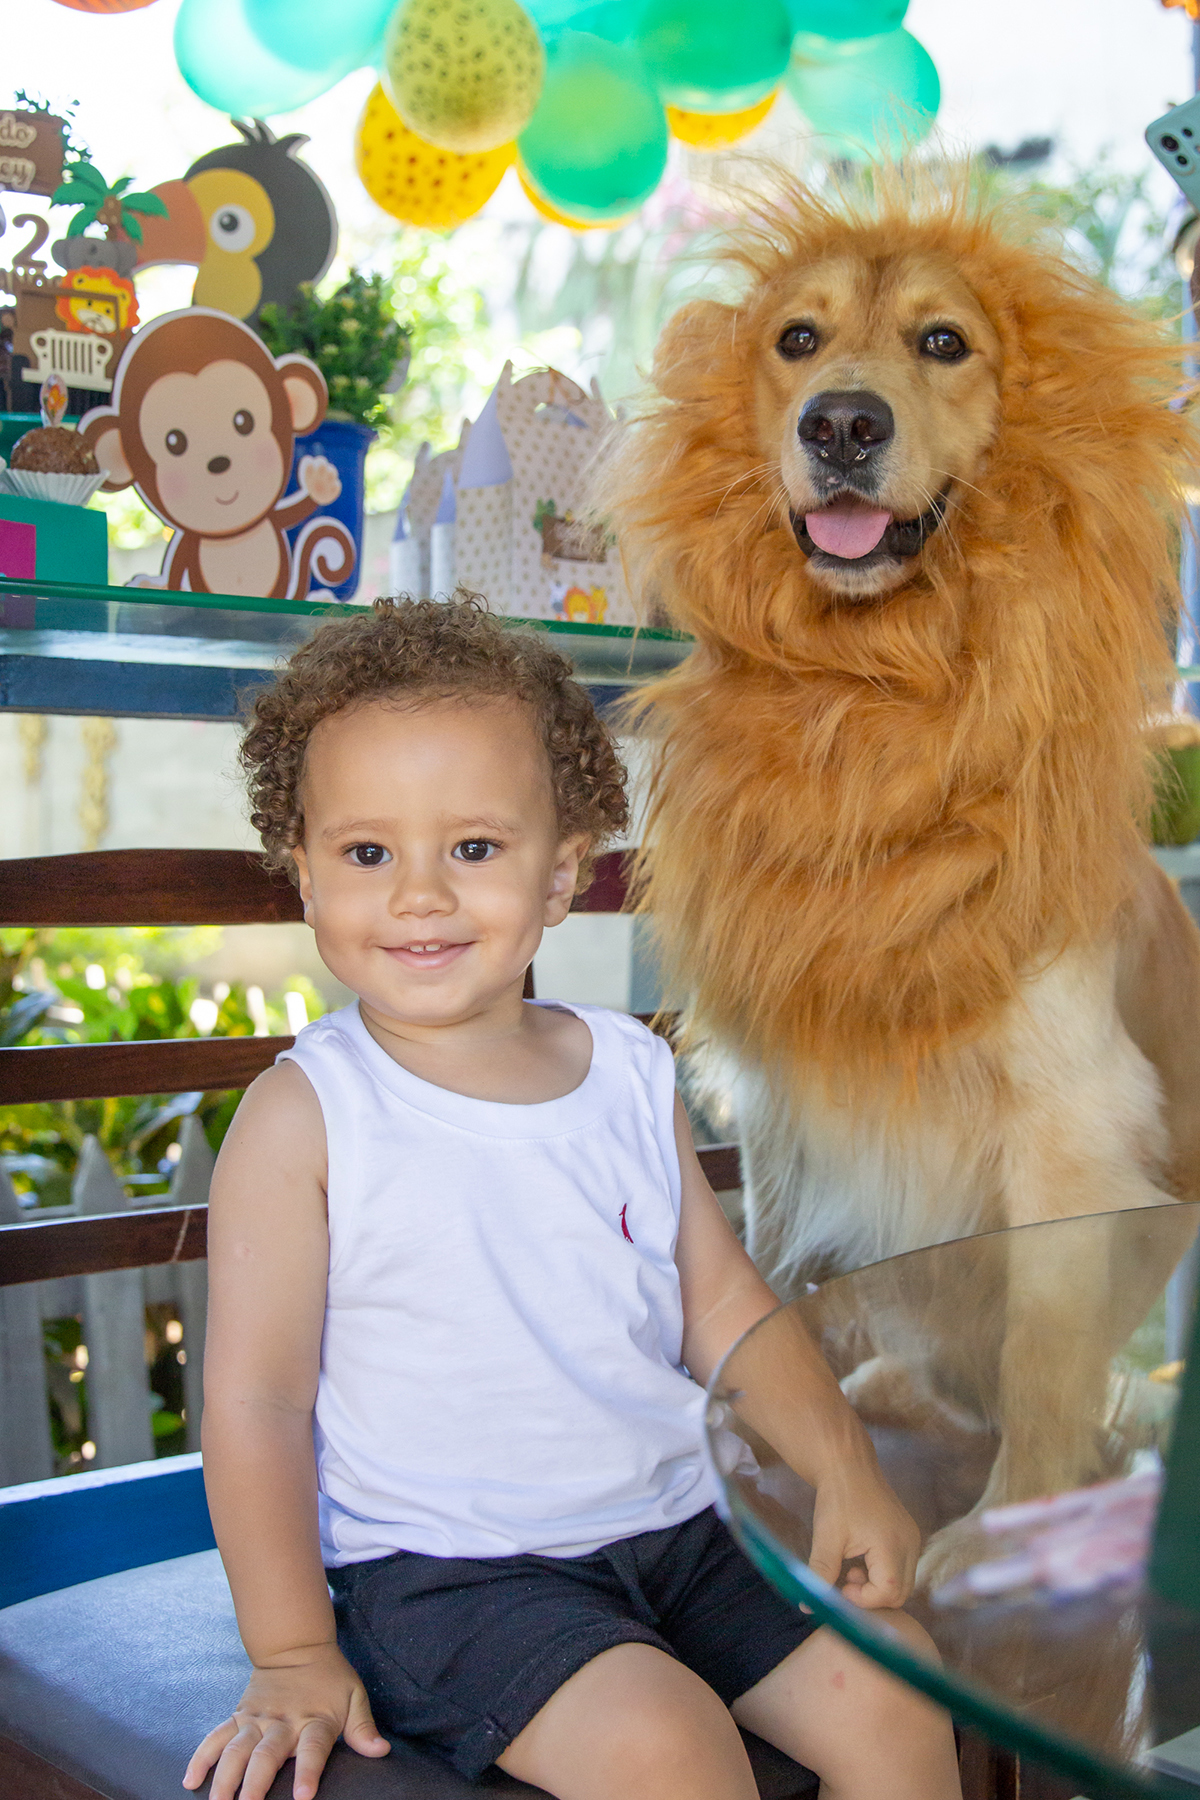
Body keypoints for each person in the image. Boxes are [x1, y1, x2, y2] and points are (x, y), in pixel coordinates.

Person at [184, 595, 962, 1800]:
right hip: (456, 1576)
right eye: (367, 851)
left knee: (902, 1690)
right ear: (304, 873)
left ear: (565, 872)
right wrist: (291, 1649)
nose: (421, 895)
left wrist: (844, 1466)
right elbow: (256, 1400)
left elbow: (724, 1308)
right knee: (668, 1750)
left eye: (476, 848)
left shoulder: (628, 1074)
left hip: (683, 1534)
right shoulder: (308, 1118)